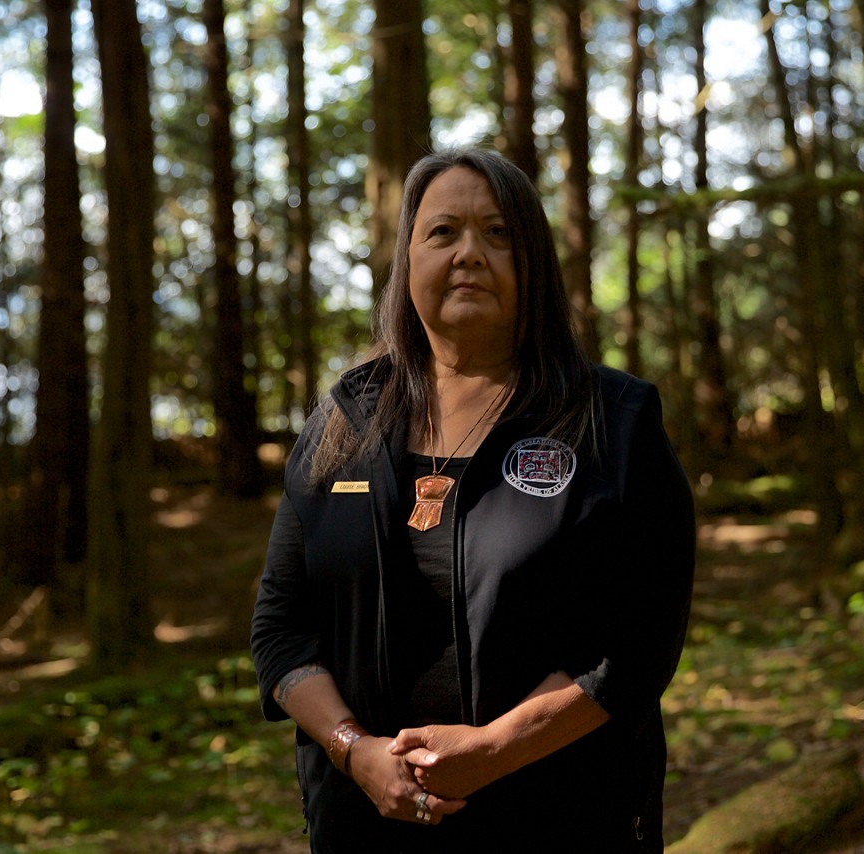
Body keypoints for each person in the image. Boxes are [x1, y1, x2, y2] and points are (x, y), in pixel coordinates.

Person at [251, 147, 695, 852]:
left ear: (534, 266)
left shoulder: (612, 419)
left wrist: (491, 752)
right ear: (407, 262)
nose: (469, 254)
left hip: (564, 818)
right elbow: (280, 626)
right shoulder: (344, 420)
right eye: (443, 232)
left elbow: (639, 644)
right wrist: (354, 750)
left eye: (498, 234)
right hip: (366, 821)